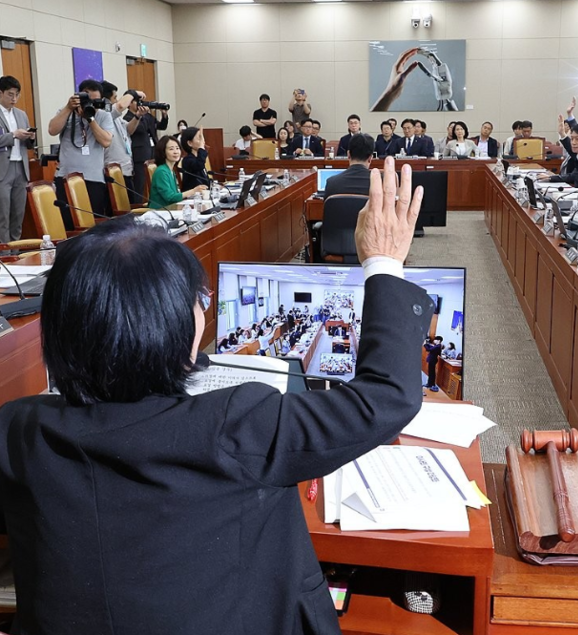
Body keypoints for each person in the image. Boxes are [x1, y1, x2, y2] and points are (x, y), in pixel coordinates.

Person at [0, 156, 429, 633]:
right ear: (178, 330)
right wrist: (385, 261)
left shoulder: (16, 429)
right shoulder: (237, 425)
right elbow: (386, 396)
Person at [48, 80, 114, 230]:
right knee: (69, 226)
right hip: (66, 177)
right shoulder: (66, 112)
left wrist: (90, 118)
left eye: (96, 100)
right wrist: (68, 108)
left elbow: (106, 141)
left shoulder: (103, 115)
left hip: (93, 179)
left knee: (92, 227)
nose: (92, 103)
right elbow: (52, 130)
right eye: (88, 100)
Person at [0, 75, 36, 243]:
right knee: (3, 216)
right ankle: (4, 256)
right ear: (1, 93)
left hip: (20, 168)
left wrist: (30, 137)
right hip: (2, 170)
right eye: (10, 94)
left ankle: (16, 251)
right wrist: (13, 134)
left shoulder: (21, 114)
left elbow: (28, 145)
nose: (14, 99)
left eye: (17, 95)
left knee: (18, 215)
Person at [124, 91, 168, 206]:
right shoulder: (127, 118)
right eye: (137, 101)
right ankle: (138, 206)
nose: (140, 103)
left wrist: (164, 114)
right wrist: (139, 116)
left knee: (155, 181)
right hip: (140, 155)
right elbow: (135, 130)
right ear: (129, 103)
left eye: (141, 101)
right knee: (140, 184)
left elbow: (161, 126)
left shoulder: (147, 116)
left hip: (153, 151)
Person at [100, 82, 138, 199]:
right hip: (113, 171)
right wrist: (133, 93)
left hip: (126, 169)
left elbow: (128, 130)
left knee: (130, 204)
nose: (116, 101)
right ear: (106, 100)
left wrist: (138, 116)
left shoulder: (116, 117)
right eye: (114, 98)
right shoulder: (105, 114)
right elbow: (121, 106)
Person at [149, 135, 207, 209]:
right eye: (171, 149)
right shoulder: (161, 171)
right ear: (163, 152)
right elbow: (170, 197)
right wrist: (193, 191)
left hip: (171, 209)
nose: (176, 152)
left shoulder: (170, 170)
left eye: (177, 148)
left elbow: (175, 196)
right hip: (160, 212)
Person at [179, 127, 210, 194]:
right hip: (192, 198)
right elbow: (199, 165)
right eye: (199, 138)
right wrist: (201, 148)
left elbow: (204, 179)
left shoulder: (198, 158)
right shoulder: (187, 160)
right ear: (190, 143)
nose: (203, 141)